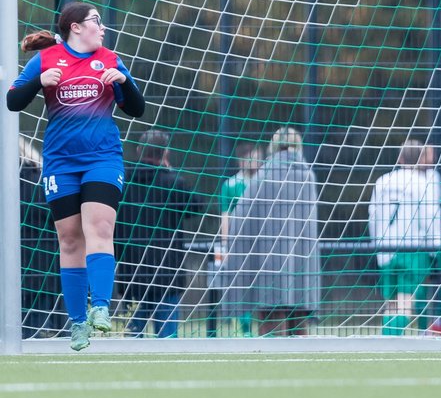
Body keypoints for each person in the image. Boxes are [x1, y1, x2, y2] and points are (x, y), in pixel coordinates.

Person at [6, 2, 146, 351]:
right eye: (96, 21)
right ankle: (78, 322)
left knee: (99, 229)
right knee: (69, 240)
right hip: (60, 162)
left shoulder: (111, 60)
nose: (102, 28)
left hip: (102, 159)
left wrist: (125, 82)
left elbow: (137, 109)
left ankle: (101, 307)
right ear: (75, 28)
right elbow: (12, 101)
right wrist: (38, 82)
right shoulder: (47, 60)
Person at [220, 126, 320, 336]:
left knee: (271, 316)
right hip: (301, 256)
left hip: (269, 260)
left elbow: (242, 215)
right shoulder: (308, 175)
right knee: (298, 314)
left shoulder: (263, 175)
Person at [117, 130, 204, 338]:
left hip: (132, 272)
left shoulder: (123, 181)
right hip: (167, 274)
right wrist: (172, 171)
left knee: (131, 338)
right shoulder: (174, 182)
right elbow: (197, 206)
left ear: (139, 150)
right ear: (166, 153)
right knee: (167, 340)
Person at [368, 138, 441, 335]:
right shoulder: (422, 183)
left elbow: (373, 215)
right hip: (412, 248)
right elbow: (430, 217)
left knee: (391, 303)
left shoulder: (382, 181)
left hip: (386, 248)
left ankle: (388, 340)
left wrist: (376, 243)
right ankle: (393, 343)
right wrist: (435, 247)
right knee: (405, 301)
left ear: (400, 158)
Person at [209, 142, 265, 337]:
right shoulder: (231, 184)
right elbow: (226, 215)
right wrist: (226, 244)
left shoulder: (264, 182)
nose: (257, 161)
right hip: (240, 243)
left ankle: (269, 328)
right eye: (253, 157)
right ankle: (245, 329)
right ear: (242, 160)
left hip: (263, 243)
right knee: (242, 286)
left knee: (265, 285)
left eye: (259, 157)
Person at [19, 136, 61, 338]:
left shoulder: (16, 185)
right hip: (45, 268)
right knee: (39, 327)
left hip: (16, 268)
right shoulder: (44, 183)